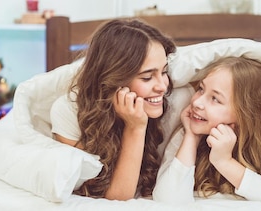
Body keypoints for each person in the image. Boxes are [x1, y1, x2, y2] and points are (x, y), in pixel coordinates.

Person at [49, 18, 176, 200]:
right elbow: (117, 198)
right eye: (147, 77)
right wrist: (135, 128)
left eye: (164, 72)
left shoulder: (176, 101)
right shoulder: (68, 112)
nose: (163, 86)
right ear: (115, 80)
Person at [153, 57, 261, 206]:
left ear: (245, 113)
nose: (197, 103)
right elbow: (167, 200)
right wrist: (191, 137)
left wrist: (224, 162)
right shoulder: (187, 131)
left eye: (215, 99)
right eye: (201, 89)